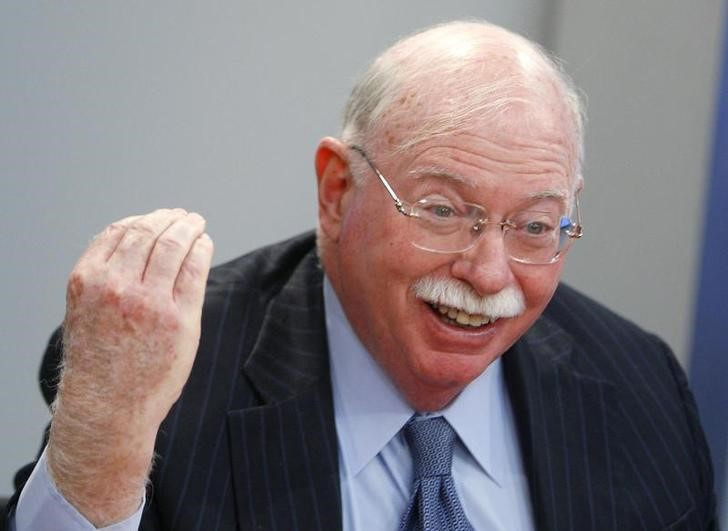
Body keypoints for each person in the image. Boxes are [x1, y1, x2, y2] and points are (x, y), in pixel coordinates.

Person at [5, 19, 717, 531]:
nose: (489, 273)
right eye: (443, 211)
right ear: (338, 191)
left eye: (534, 225)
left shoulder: (640, 386)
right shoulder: (173, 379)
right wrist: (101, 443)